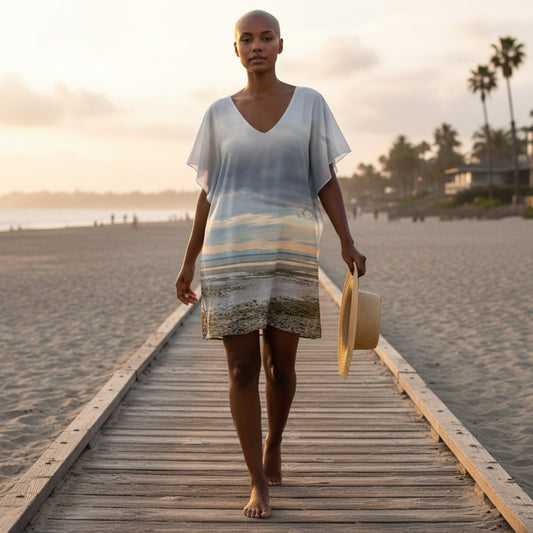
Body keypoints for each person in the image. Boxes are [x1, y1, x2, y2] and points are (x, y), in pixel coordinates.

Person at [175, 10, 366, 519]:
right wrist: (188, 263)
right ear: (234, 49)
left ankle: (274, 440)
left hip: (291, 250)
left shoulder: (310, 105)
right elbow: (208, 194)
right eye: (246, 39)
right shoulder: (218, 113)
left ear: (281, 45)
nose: (256, 46)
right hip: (230, 252)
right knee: (241, 368)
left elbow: (325, 179)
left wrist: (347, 240)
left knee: (281, 367)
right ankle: (256, 481)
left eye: (265, 38)